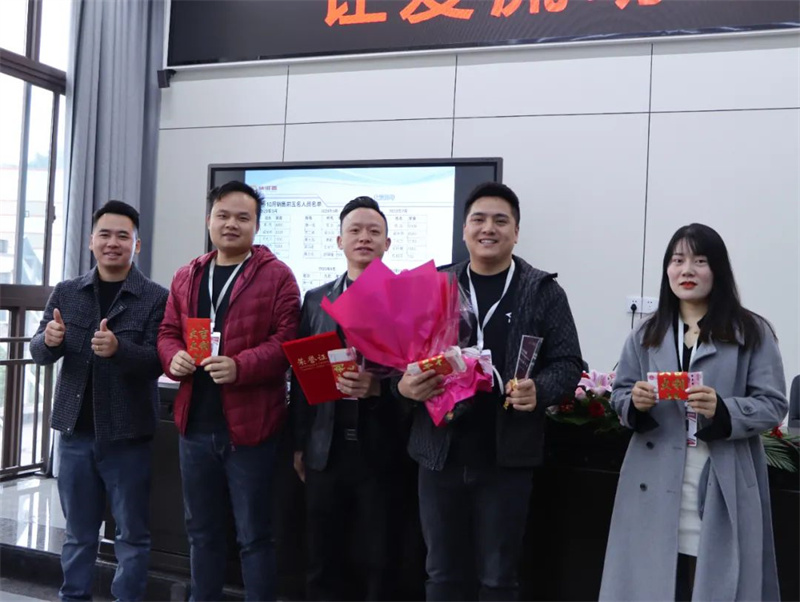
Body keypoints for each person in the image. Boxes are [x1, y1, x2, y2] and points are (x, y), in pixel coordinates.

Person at [395, 182, 583, 600]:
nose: (488, 228)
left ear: (516, 232)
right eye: (478, 219)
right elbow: (397, 364)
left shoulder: (542, 291)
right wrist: (404, 386)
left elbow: (569, 363)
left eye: (501, 220)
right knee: (441, 574)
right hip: (439, 454)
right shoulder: (435, 286)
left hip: (506, 458)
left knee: (499, 577)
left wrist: (540, 390)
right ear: (464, 230)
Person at [599, 223, 787, 601]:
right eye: (677, 260)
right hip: (653, 482)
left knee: (720, 583)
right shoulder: (645, 334)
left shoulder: (751, 332)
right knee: (651, 583)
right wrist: (633, 402)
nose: (687, 270)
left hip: (721, 479)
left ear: (718, 270)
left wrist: (725, 409)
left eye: (700, 261)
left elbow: (773, 403)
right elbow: (620, 394)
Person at [157, 181, 300, 601]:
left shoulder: (277, 276)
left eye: (242, 217)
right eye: (223, 215)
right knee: (201, 532)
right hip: (194, 426)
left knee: (254, 536)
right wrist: (173, 357)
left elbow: (287, 343)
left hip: (251, 431)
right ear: (209, 220)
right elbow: (167, 332)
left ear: (256, 225)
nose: (231, 224)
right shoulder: (188, 274)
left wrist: (240, 366)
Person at [30, 201, 168, 601]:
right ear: (91, 241)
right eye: (104, 235)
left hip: (128, 437)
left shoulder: (155, 297)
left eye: (123, 236)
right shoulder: (67, 291)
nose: (112, 243)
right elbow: (39, 351)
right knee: (78, 534)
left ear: (136, 244)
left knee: (132, 536)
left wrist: (119, 349)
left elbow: (158, 361)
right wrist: (49, 341)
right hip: (75, 434)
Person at [290, 196, 410, 600]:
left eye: (374, 232)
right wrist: (301, 443)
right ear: (339, 241)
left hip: (385, 450)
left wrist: (379, 387)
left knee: (380, 560)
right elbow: (302, 378)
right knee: (322, 559)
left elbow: (420, 377)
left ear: (387, 243)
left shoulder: (404, 300)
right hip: (326, 449)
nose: (364, 238)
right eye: (355, 230)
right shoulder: (316, 299)